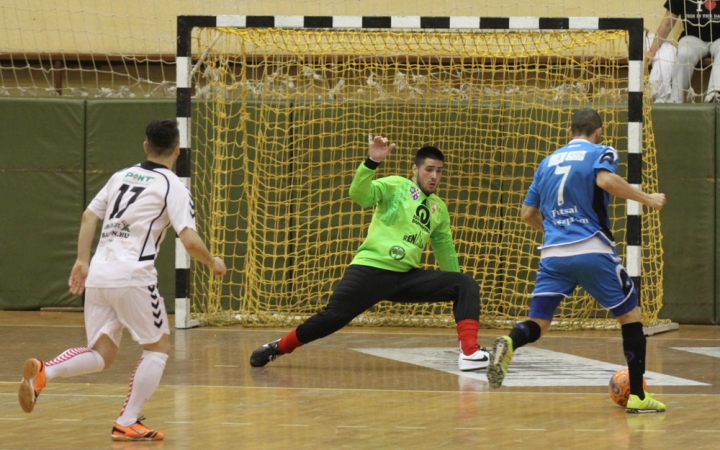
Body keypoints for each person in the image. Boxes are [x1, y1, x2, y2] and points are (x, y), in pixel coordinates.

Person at [17, 119, 227, 440]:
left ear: (145, 146)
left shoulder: (121, 176)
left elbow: (89, 215)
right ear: (177, 151)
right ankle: (127, 420)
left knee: (102, 355)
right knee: (158, 347)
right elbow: (188, 238)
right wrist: (212, 261)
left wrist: (82, 261)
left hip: (99, 274)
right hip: (133, 275)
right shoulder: (173, 186)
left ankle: (47, 370)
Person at [249, 135, 489, 371]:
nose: (434, 176)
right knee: (331, 319)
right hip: (371, 270)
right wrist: (371, 162)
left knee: (464, 284)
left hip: (405, 277)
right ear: (414, 170)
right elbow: (360, 195)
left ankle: (469, 353)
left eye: (439, 171)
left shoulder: (439, 209)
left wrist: (457, 292)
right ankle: (277, 347)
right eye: (429, 169)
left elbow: (445, 250)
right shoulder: (395, 185)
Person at [486, 108, 667, 413]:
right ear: (599, 132)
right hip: (592, 249)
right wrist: (647, 198)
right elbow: (606, 181)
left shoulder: (546, 163)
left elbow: (527, 214)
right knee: (631, 317)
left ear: (569, 132)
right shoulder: (601, 151)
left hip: (553, 254)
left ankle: (510, 340)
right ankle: (637, 395)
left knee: (539, 324)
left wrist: (557, 231)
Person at [648, 1, 720, 103]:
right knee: (683, 54)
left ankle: (715, 97)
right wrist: (652, 51)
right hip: (693, 38)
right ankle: (675, 101)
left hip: (719, 40)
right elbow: (666, 24)